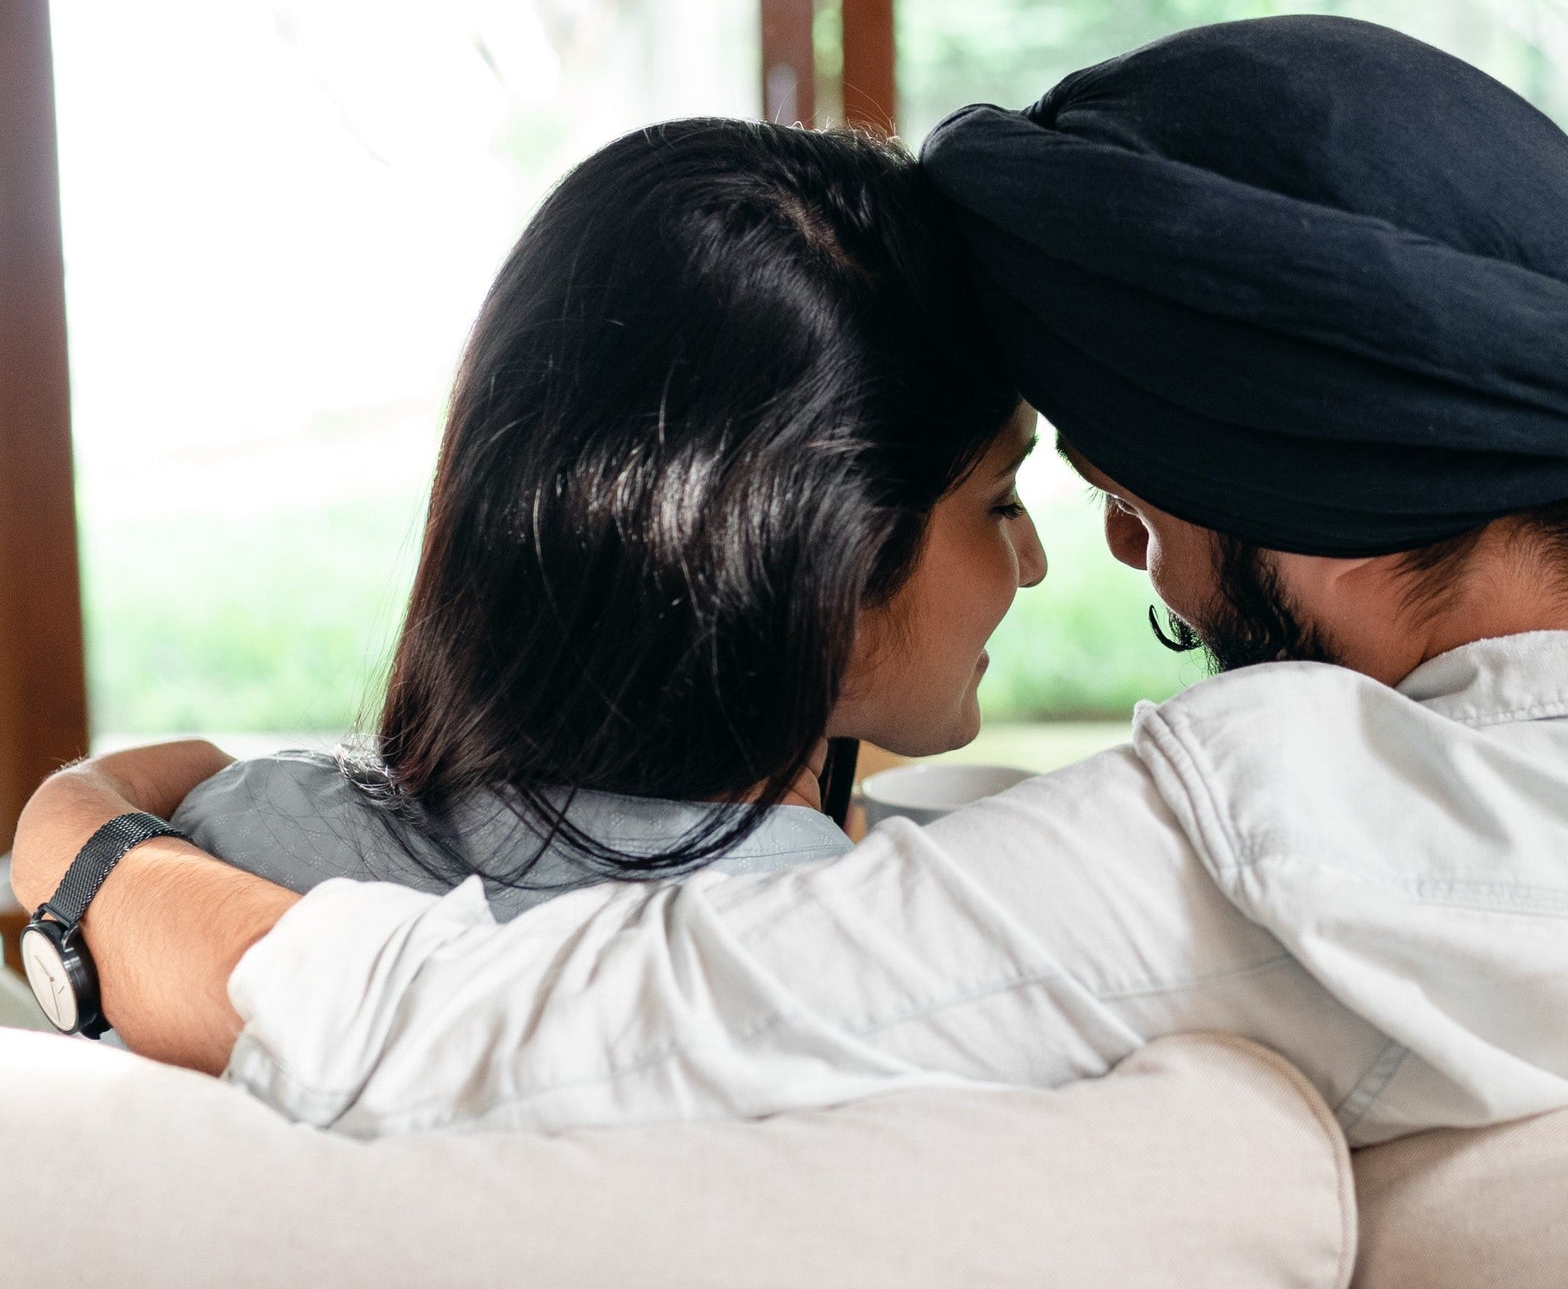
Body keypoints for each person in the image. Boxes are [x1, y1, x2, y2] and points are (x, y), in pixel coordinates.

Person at [17, 18, 1568, 1143]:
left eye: (1143, 512)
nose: (1106, 553)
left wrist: (79, 842)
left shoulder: (1257, 845)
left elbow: (493, 1028)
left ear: (1306, 502)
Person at [23, 112, 1044, 950]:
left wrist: (80, 813)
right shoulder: (897, 954)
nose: (1033, 560)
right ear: (828, 556)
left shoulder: (241, 842)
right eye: (1000, 500)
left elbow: (172, 771)